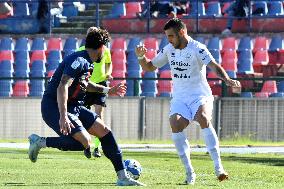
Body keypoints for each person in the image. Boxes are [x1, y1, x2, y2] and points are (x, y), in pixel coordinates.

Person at [28, 28, 145, 186]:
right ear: (102, 47)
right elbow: (62, 85)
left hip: (73, 107)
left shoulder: (87, 61)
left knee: (105, 132)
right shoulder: (79, 60)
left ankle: (122, 177)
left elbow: (84, 84)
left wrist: (108, 90)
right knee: (85, 142)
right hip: (54, 107)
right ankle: (40, 142)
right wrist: (63, 116)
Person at [135, 18, 241, 185]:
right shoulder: (169, 49)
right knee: (175, 123)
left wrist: (227, 80)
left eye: (171, 36)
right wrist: (141, 56)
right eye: (167, 36)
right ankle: (189, 173)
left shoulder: (198, 48)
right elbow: (149, 67)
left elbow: (214, 65)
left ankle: (219, 168)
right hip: (180, 98)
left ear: (182, 32)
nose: (169, 40)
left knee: (203, 118)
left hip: (200, 95)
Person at [78, 26, 113, 158]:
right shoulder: (81, 51)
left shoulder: (105, 50)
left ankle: (97, 147)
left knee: (98, 115)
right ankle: (86, 144)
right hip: (86, 85)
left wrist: (108, 73)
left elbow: (109, 63)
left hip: (101, 84)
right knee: (83, 117)